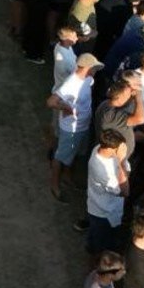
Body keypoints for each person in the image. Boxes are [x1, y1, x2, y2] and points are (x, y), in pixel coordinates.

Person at [47, 53, 100, 201]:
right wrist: (66, 107)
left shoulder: (89, 79)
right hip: (71, 129)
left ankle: (66, 176)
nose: (96, 70)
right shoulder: (71, 83)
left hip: (83, 125)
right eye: (94, 68)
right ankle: (54, 185)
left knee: (76, 153)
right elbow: (51, 102)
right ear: (87, 67)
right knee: (60, 157)